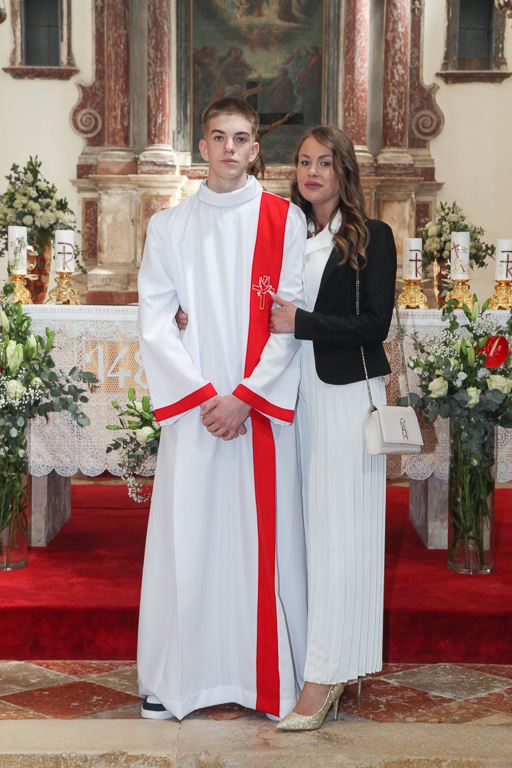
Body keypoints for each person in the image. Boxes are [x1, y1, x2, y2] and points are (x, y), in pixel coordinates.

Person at [136, 96, 308, 721]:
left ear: (255, 149)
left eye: (240, 138)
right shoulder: (169, 227)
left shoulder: (285, 220)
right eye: (218, 137)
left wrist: (245, 399)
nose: (229, 148)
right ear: (202, 147)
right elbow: (156, 321)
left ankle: (270, 679)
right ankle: (175, 679)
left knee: (265, 546)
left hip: (258, 412)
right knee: (187, 540)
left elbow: (290, 319)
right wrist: (207, 399)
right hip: (197, 415)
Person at [269, 126, 397, 731]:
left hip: (346, 398)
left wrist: (304, 323)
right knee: (311, 537)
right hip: (299, 399)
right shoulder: (291, 236)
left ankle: (322, 680)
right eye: (303, 162)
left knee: (338, 538)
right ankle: (331, 664)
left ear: (344, 170)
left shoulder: (372, 237)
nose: (312, 172)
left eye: (324, 162)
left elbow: (374, 325)